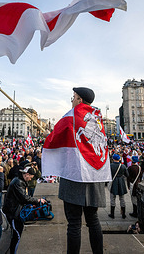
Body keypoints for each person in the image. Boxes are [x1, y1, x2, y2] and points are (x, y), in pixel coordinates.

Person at [55, 87, 106, 254]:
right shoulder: (98, 119)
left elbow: (56, 139)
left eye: (73, 97)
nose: (72, 100)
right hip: (93, 175)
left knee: (74, 224)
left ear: (79, 100)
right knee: (93, 220)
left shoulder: (71, 116)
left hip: (74, 176)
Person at [3, 166, 46, 254]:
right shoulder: (18, 183)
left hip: (14, 210)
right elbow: (24, 198)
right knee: (17, 235)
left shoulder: (18, 180)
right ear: (27, 174)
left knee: (16, 234)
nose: (30, 179)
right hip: (13, 213)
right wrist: (37, 200)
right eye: (30, 177)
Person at [108, 154, 129, 219]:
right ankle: (123, 214)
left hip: (114, 182)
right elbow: (127, 175)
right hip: (121, 182)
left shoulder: (110, 166)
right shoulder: (123, 166)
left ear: (113, 159)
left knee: (112, 198)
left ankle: (112, 214)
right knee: (122, 198)